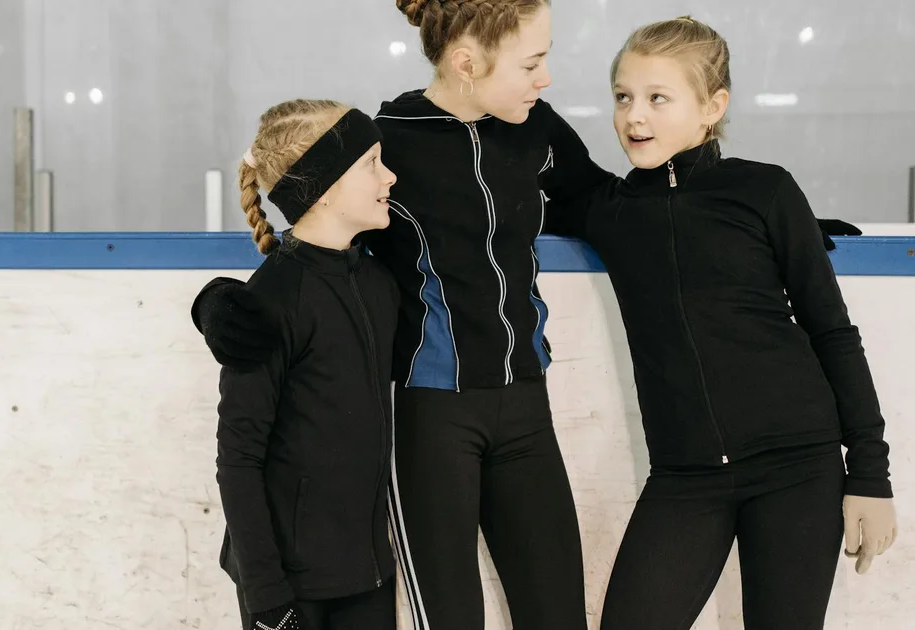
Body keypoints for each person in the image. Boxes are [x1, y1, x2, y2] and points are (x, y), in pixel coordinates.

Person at [191, 2, 864, 627]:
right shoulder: (390, 140)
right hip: (434, 418)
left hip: (524, 413)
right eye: (532, 61)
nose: (547, 76)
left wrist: (774, 222)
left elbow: (605, 202)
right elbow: (320, 234)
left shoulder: (535, 130)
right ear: (468, 63)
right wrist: (223, 305)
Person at [540, 17, 898, 630]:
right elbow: (526, 132)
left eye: (658, 97)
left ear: (713, 106)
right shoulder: (611, 209)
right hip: (685, 478)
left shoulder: (765, 191)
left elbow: (832, 333)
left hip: (799, 468)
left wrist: (870, 472)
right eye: (622, 96)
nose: (633, 116)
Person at [213, 98, 400, 630]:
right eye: (371, 163)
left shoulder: (377, 282)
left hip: (365, 572)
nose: (389, 175)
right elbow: (239, 458)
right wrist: (268, 598)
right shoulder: (272, 300)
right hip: (289, 586)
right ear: (323, 185)